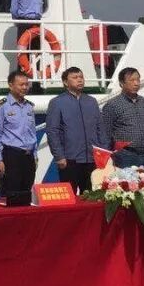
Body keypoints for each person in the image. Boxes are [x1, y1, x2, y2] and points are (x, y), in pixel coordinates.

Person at [46, 66, 103, 194]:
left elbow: (100, 128)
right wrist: (59, 156)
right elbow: (52, 131)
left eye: (81, 77)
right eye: (75, 77)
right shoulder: (57, 102)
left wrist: (103, 152)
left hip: (91, 158)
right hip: (69, 159)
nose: (80, 80)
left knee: (90, 196)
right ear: (66, 82)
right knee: (69, 195)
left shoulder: (91, 101)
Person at [0, 69, 37, 198]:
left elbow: (32, 132)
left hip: (28, 156)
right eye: (21, 84)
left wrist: (35, 154)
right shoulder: (1, 106)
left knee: (27, 194)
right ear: (11, 85)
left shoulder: (29, 106)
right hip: (11, 156)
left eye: (26, 84)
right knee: (11, 195)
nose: (25, 87)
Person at [101, 67, 144, 168]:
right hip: (125, 155)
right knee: (125, 179)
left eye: (138, 79)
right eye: (132, 80)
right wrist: (107, 158)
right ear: (122, 83)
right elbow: (106, 134)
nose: (136, 83)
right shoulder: (112, 105)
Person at [9, 0, 44, 78]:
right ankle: (21, 79)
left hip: (37, 22)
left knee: (36, 52)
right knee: (22, 53)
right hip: (24, 22)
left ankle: (35, 82)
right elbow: (14, 9)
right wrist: (19, 22)